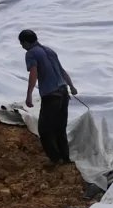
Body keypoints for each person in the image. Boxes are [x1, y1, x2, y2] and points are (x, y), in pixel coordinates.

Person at [20, 29, 77, 165]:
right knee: (60, 127)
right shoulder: (49, 51)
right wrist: (72, 86)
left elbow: (33, 74)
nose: (22, 46)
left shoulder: (31, 53)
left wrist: (29, 95)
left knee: (45, 130)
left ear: (26, 42)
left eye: (22, 43)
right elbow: (62, 70)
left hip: (51, 96)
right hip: (63, 93)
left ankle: (55, 159)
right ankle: (65, 158)